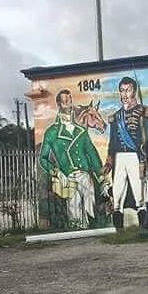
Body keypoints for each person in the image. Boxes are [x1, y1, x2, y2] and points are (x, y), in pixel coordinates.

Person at [39, 89, 104, 228]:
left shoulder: (81, 131)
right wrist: (56, 172)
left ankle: (93, 231)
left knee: (90, 208)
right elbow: (43, 158)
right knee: (74, 212)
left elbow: (92, 154)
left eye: (70, 99)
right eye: (66, 100)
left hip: (85, 175)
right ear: (59, 104)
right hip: (67, 177)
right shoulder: (52, 132)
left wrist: (102, 177)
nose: (69, 103)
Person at [104, 77, 148, 229]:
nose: (124, 94)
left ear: (134, 91)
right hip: (119, 158)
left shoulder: (144, 112)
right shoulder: (116, 117)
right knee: (117, 196)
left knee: (139, 195)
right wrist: (109, 160)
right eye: (122, 90)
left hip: (136, 157)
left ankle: (144, 226)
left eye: (127, 90)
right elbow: (113, 142)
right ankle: (119, 230)